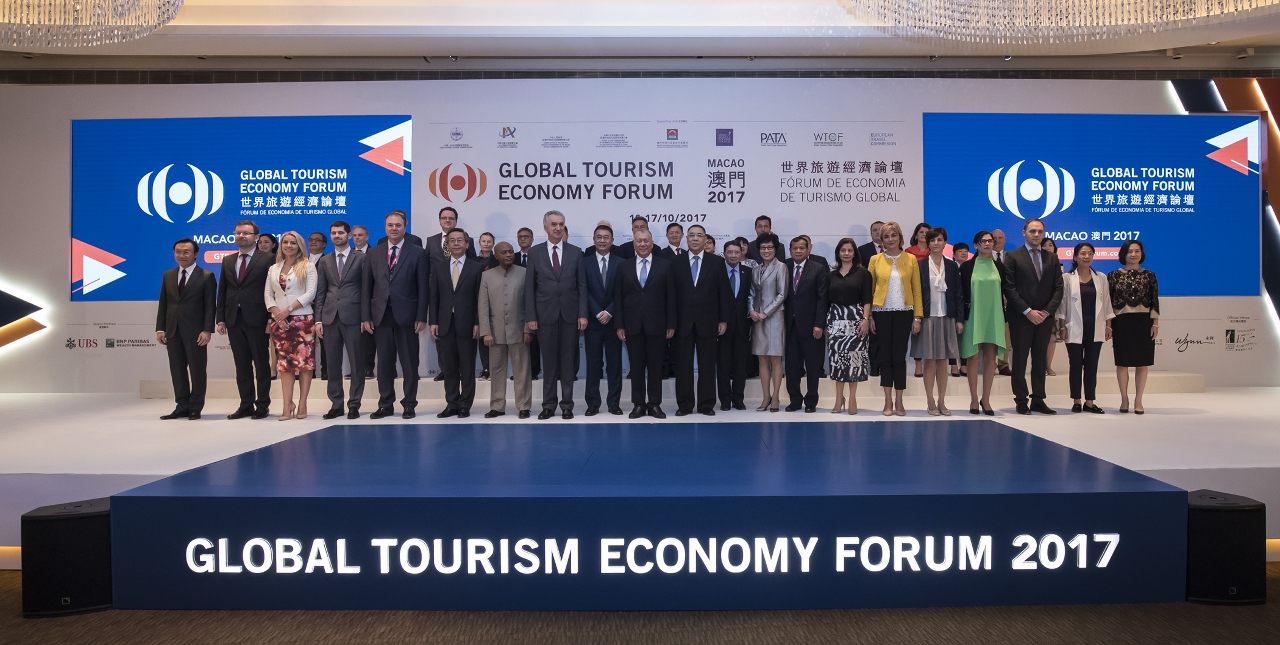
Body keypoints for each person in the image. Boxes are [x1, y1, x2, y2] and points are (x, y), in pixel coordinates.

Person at [363, 210, 430, 419]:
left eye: (398, 225)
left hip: (408, 316)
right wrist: (366, 316)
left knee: (410, 363)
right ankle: (385, 404)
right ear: (385, 227)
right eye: (390, 225)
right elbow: (367, 287)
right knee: (384, 363)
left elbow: (423, 288)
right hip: (380, 316)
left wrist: (421, 316)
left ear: (405, 226)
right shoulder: (374, 253)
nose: (394, 228)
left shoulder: (417, 252)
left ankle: (409, 404)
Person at [524, 210, 588, 420]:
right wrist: (531, 316)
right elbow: (529, 288)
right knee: (549, 363)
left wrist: (582, 314)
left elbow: (582, 286)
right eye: (554, 224)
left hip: (570, 316)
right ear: (546, 227)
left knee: (568, 363)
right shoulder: (535, 253)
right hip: (545, 316)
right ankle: (549, 405)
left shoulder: (576, 252)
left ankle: (567, 405)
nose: (558, 228)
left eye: (561, 224)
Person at [1003, 218, 1064, 415]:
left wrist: (1046, 312)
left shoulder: (1052, 258)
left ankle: (1038, 399)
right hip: (1021, 317)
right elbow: (1009, 288)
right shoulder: (1012, 256)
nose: (1036, 234)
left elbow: (1058, 288)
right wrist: (1028, 311)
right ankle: (1021, 400)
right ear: (1024, 233)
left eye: (1039, 231)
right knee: (1019, 360)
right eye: (1032, 231)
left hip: (1044, 318)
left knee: (1040, 360)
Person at [614, 229, 677, 418]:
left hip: (658, 325)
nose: (642, 244)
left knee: (656, 366)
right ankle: (639, 404)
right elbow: (618, 298)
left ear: (652, 243)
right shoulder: (623, 267)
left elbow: (671, 298)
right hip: (632, 326)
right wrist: (619, 325)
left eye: (646, 241)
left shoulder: (665, 266)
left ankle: (654, 404)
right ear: (634, 244)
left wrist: (671, 324)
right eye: (639, 241)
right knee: (637, 367)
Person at [672, 224, 732, 416]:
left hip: (709, 322)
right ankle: (685, 404)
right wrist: (671, 323)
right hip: (682, 323)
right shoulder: (675, 262)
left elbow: (724, 293)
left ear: (706, 239)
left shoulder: (716, 262)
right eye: (692, 235)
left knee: (707, 366)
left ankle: (706, 405)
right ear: (686, 239)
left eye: (699, 235)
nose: (695, 239)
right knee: (683, 366)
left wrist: (723, 320)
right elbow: (671, 296)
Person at [217, 220, 274, 419]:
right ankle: (245, 404)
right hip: (234, 319)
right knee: (241, 365)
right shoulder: (228, 260)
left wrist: (270, 318)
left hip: (258, 318)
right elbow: (223, 290)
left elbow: (272, 290)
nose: (241, 236)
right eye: (238, 233)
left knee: (261, 363)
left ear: (256, 237)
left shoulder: (268, 259)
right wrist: (221, 319)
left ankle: (262, 405)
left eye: (246, 233)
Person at [313, 220, 369, 420]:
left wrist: (366, 317)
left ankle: (354, 404)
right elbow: (320, 292)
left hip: (354, 316)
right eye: (334, 233)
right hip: (329, 318)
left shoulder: (361, 258)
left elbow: (366, 291)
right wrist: (318, 320)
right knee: (333, 364)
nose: (337, 236)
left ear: (349, 235)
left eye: (341, 232)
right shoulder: (325, 260)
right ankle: (336, 404)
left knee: (356, 363)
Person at [156, 238, 216, 420]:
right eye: (178, 252)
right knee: (177, 369)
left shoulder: (206, 276)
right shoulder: (168, 275)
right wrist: (160, 329)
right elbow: (164, 304)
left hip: (196, 331)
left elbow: (209, 306)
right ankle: (181, 405)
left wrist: (207, 330)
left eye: (186, 252)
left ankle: (195, 407)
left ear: (195, 254)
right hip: (173, 330)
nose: (181, 255)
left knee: (197, 371)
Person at [867, 221, 922, 416]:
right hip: (881, 313)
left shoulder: (911, 259)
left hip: (904, 313)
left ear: (900, 237)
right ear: (881, 240)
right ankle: (887, 401)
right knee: (885, 357)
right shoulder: (875, 260)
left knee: (899, 357)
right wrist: (870, 316)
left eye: (893, 235)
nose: (890, 240)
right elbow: (869, 290)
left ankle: (900, 401)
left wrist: (917, 317)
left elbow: (917, 290)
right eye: (886, 237)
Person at [430, 229, 484, 418]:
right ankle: (452, 403)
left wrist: (478, 322)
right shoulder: (439, 266)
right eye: (452, 240)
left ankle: (465, 405)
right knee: (449, 367)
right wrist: (433, 321)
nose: (456, 243)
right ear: (448, 245)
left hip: (468, 324)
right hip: (445, 323)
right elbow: (434, 296)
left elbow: (480, 298)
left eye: (460, 240)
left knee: (467, 366)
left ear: (467, 244)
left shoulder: (476, 267)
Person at [265, 231, 318, 420]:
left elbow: (310, 293)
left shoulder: (308, 266)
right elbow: (268, 295)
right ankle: (287, 404)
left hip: (302, 321)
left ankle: (302, 403)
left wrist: (288, 310)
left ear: (299, 246)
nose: (289, 246)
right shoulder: (274, 268)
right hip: (280, 322)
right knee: (285, 365)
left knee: (304, 365)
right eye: (285, 242)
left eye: (293, 243)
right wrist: (277, 315)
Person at [1058, 242, 1114, 414]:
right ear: (1075, 257)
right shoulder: (1067, 278)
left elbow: (1107, 304)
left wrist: (1108, 325)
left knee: (1092, 365)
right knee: (1075, 365)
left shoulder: (1101, 277)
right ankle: (1076, 400)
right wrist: (1062, 326)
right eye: (1083, 253)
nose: (1086, 256)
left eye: (1090, 253)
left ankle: (1089, 402)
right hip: (1073, 327)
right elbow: (1062, 305)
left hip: (1095, 327)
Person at [479, 241, 532, 419]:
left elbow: (528, 304)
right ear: (496, 255)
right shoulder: (487, 276)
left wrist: (527, 329)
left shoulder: (524, 273)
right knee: (497, 370)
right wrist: (486, 332)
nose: (508, 255)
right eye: (504, 252)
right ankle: (497, 406)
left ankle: (524, 406)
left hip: (519, 330)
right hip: (495, 332)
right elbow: (483, 306)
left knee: (522, 370)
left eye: (510, 252)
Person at [912, 229, 963, 416]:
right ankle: (930, 401)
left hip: (946, 317)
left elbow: (958, 294)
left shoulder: (951, 266)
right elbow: (916, 293)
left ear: (945, 243)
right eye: (932, 240)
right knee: (929, 362)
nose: (935, 243)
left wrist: (959, 319)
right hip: (927, 318)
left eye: (939, 240)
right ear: (927, 243)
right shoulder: (919, 265)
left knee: (943, 361)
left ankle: (942, 400)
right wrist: (916, 318)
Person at [1108, 240, 1159, 414]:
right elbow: (1108, 303)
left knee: (1142, 363)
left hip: (1143, 322)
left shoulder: (1149, 275)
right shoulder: (1113, 275)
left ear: (1141, 254)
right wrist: (1108, 324)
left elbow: (1154, 301)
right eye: (1130, 251)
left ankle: (1139, 400)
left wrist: (1155, 323)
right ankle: (1124, 399)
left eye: (1137, 251)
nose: (1133, 254)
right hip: (1121, 322)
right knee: (1122, 363)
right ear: (1124, 254)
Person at [960, 231, 1008, 416]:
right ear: (976, 245)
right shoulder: (966, 267)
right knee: (973, 357)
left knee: (991, 359)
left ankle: (986, 399)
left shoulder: (1000, 267)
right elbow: (962, 294)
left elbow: (1005, 291)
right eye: (983, 241)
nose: (988, 244)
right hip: (973, 315)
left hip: (994, 316)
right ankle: (973, 398)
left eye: (990, 241)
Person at [782, 236, 829, 413]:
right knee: (792, 367)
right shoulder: (784, 266)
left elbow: (822, 299)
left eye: (802, 248)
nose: (798, 251)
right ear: (790, 250)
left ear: (808, 249)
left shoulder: (818, 268)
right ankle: (794, 400)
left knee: (812, 365)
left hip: (811, 327)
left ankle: (811, 401)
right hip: (789, 326)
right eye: (795, 248)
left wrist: (819, 324)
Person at [826, 238, 872, 415]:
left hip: (856, 319)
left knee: (855, 360)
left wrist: (865, 319)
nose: (846, 253)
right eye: (843, 250)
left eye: (849, 250)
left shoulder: (863, 274)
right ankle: (839, 398)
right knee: (837, 360)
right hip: (836, 319)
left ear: (854, 253)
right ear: (838, 252)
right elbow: (827, 301)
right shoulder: (831, 275)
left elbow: (867, 298)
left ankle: (852, 397)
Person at [581, 224, 623, 416]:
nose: (602, 240)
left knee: (614, 364)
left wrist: (610, 312)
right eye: (599, 237)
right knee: (593, 364)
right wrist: (598, 312)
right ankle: (593, 403)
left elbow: (622, 292)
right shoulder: (584, 262)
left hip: (614, 322)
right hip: (593, 321)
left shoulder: (622, 263)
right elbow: (583, 291)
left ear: (612, 241)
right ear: (594, 239)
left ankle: (614, 403)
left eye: (606, 237)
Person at [749, 233, 788, 412]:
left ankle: (776, 397)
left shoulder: (781, 267)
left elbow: (782, 294)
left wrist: (765, 313)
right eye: (763, 248)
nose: (766, 251)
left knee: (775, 358)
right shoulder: (755, 269)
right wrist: (752, 311)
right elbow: (751, 293)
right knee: (762, 359)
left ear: (775, 249)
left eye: (769, 248)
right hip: (757, 318)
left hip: (774, 318)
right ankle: (765, 397)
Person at [717, 239, 753, 411]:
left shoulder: (749, 272)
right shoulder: (716, 271)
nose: (733, 255)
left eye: (736, 252)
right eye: (729, 252)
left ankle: (738, 398)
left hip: (742, 325)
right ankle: (724, 400)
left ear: (741, 254)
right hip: (722, 325)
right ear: (724, 254)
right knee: (723, 364)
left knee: (740, 365)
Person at [350, 225, 376, 379]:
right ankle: (356, 369)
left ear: (367, 236)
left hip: (371, 300)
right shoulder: (349, 255)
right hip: (353, 301)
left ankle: (368, 368)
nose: (357, 238)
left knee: (369, 337)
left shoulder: (374, 253)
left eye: (360, 235)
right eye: (355, 235)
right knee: (354, 338)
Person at [513, 226, 539, 380]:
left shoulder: (538, 256)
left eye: (526, 236)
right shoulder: (511, 257)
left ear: (532, 239)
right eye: (520, 236)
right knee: (518, 341)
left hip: (537, 302)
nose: (523, 239)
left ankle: (534, 371)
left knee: (534, 341)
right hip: (515, 303)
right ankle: (520, 373)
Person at [475, 232, 499, 381]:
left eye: (489, 241)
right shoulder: (473, 260)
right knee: (482, 336)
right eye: (483, 241)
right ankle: (485, 368)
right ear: (479, 243)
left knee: (495, 338)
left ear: (493, 243)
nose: (486, 244)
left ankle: (494, 370)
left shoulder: (497, 260)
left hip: (495, 301)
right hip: (478, 301)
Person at [257, 233, 281, 380]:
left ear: (273, 244)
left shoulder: (276, 262)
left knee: (274, 341)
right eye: (260, 242)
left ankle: (273, 369)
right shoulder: (253, 259)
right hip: (256, 306)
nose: (263, 245)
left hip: (274, 306)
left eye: (266, 242)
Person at [1040, 238, 1064, 377]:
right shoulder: (1034, 264)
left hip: (1053, 307)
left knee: (1051, 338)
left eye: (1051, 245)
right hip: (1036, 307)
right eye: (1045, 245)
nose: (1048, 247)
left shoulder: (1059, 266)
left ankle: (1048, 366)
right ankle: (1039, 366)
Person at [991, 228, 1012, 376]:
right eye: (994, 238)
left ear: (1005, 240)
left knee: (1006, 335)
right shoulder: (983, 258)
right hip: (990, 302)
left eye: (1000, 238)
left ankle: (1003, 364)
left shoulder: (1012, 257)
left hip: (1008, 303)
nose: (997, 241)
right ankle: (990, 363)